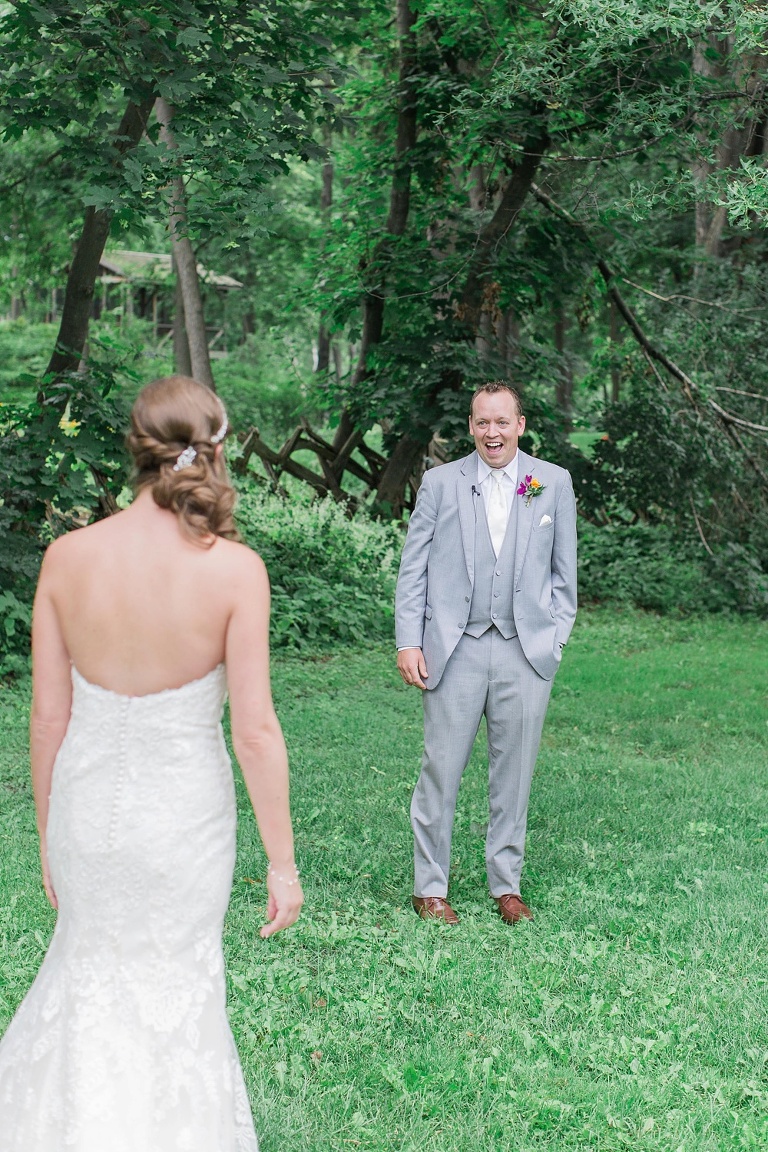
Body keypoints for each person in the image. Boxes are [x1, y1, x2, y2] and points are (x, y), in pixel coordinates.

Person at [0, 375, 302, 1151]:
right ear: (215, 450)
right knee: (177, 984)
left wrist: (47, 838)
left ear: (134, 448)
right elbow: (256, 731)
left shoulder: (68, 558)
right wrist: (282, 863)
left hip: (87, 815)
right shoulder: (235, 571)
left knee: (87, 971)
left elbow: (48, 718)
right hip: (181, 824)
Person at [395, 381, 577, 924]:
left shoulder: (552, 483)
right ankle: (430, 887)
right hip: (454, 649)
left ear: (520, 425)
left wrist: (554, 640)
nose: (491, 432)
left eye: (502, 422)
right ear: (470, 426)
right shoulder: (439, 483)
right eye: (482, 422)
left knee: (514, 773)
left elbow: (565, 577)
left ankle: (507, 886)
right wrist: (409, 639)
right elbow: (414, 569)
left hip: (525, 652)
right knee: (441, 768)